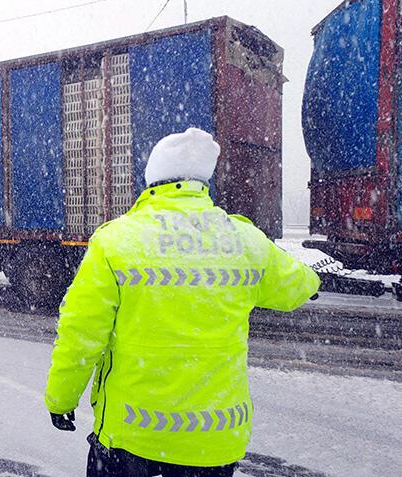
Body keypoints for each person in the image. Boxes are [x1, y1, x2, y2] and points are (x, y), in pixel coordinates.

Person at [45, 128, 320, 476]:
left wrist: (61, 399)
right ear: (203, 181)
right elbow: (295, 286)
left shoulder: (116, 241)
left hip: (131, 432)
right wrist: (313, 282)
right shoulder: (245, 241)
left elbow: (81, 334)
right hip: (213, 436)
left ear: (152, 180)